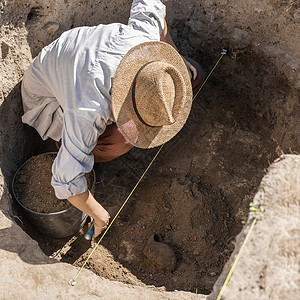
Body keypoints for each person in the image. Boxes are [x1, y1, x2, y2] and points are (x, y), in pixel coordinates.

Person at [21, 0, 204, 238]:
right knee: (124, 138)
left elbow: (151, 8)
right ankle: (66, 146)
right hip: (48, 100)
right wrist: (98, 213)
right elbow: (64, 178)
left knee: (192, 73)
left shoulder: (144, 38)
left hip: (79, 68)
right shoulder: (90, 107)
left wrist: (175, 57)